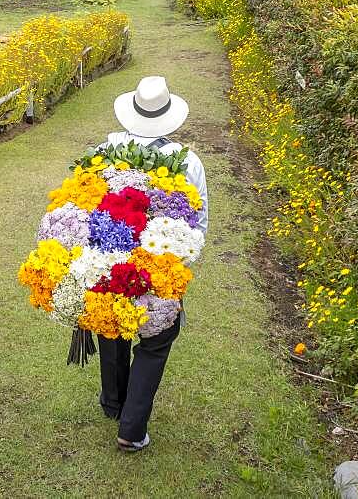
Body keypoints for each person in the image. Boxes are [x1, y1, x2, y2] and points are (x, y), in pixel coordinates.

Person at [97, 76, 208, 453]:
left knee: (111, 321)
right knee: (157, 338)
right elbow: (199, 220)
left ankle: (114, 403)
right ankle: (130, 428)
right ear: (169, 116)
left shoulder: (105, 151)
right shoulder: (187, 161)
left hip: (109, 257)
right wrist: (181, 264)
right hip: (161, 263)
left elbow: (86, 207)